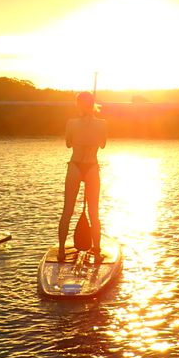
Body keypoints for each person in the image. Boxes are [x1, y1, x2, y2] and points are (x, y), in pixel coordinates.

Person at [58, 91, 107, 260]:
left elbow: (68, 143)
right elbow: (103, 145)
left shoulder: (71, 123)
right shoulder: (102, 124)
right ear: (93, 104)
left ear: (78, 105)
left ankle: (61, 252)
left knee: (67, 211)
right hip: (92, 167)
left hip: (75, 166)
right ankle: (97, 251)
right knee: (94, 213)